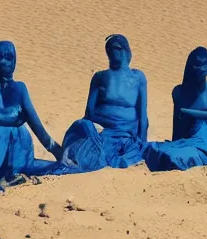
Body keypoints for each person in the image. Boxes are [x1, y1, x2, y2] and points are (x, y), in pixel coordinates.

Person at [0, 41, 76, 201]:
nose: (5, 62)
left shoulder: (19, 88)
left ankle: (13, 174)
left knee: (61, 166)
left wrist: (57, 151)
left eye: (9, 58)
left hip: (18, 155)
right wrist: (11, 118)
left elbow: (36, 124)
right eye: (0, 57)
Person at [60, 34, 149, 172]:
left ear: (126, 51)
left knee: (132, 154)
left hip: (127, 132)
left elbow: (143, 115)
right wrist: (112, 123)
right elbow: (89, 112)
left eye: (118, 48)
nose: (114, 52)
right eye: (110, 49)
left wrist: (142, 142)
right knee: (89, 149)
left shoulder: (138, 77)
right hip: (103, 130)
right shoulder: (99, 77)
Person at [144, 47, 207, 171]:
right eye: (197, 64)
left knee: (175, 157)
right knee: (153, 149)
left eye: (205, 64)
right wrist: (175, 142)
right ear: (190, 66)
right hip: (188, 139)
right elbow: (177, 126)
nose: (202, 69)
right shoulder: (179, 92)